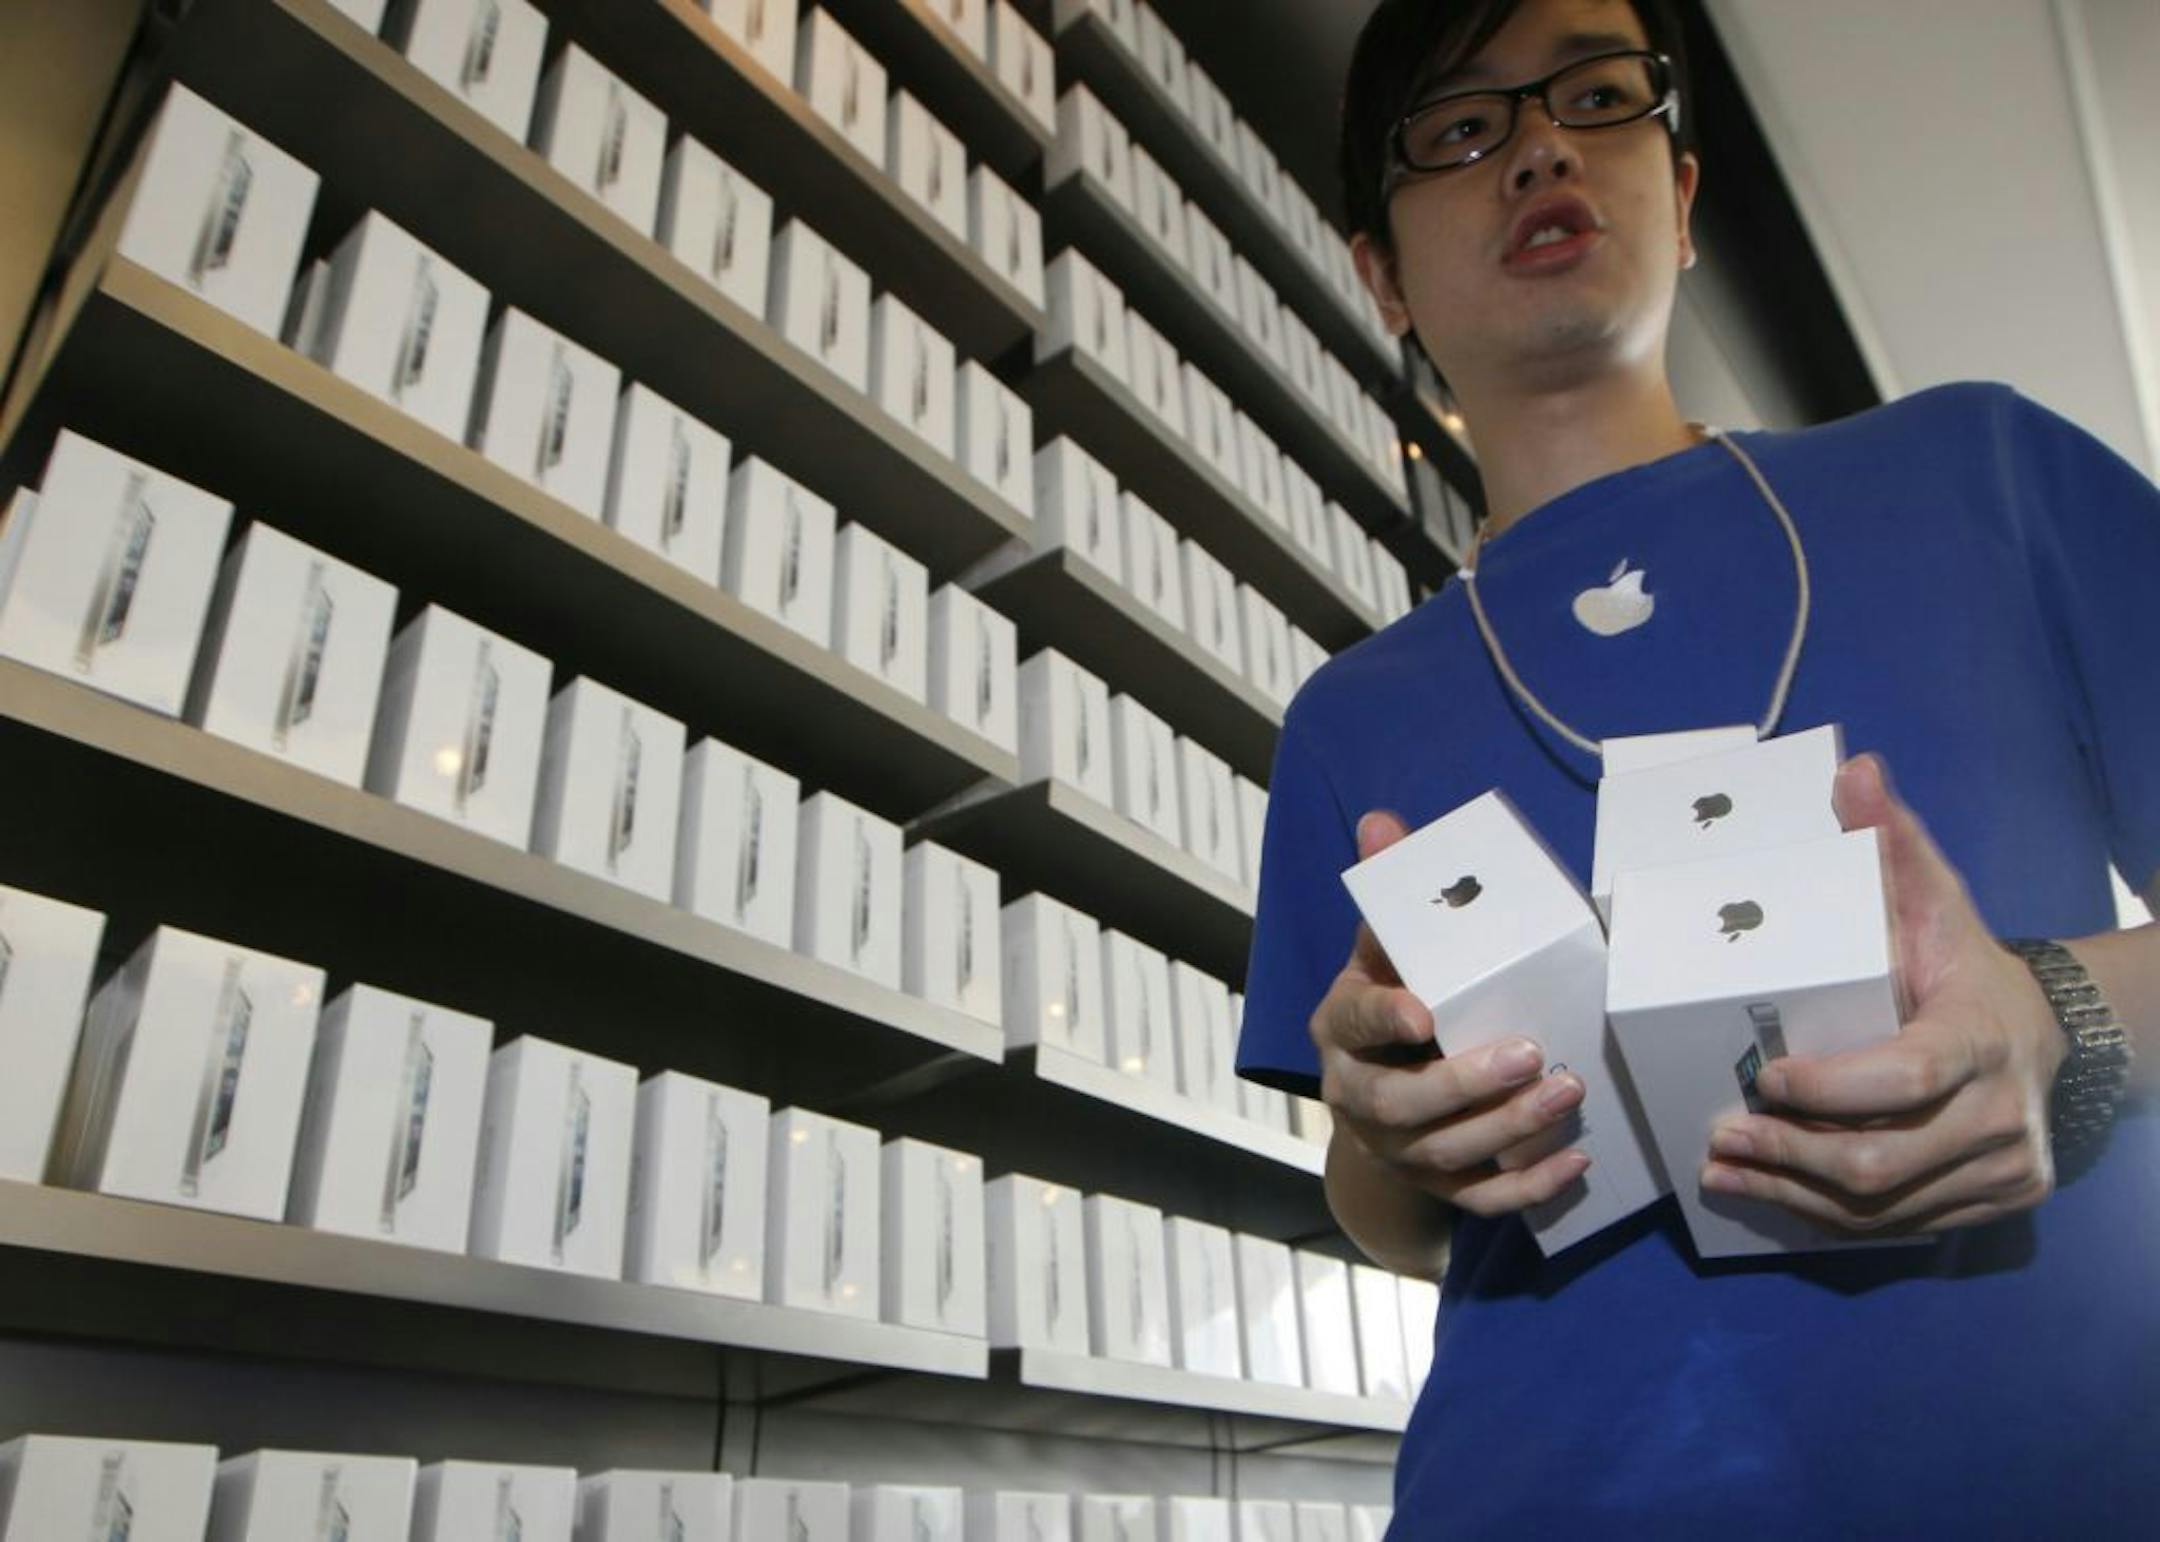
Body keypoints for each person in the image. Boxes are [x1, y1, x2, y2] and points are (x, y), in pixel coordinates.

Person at [1235, 0, 2160, 1532]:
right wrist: (1387, 1123)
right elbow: (1390, 1219)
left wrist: (2062, 1016)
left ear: (1684, 190)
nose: (1539, 146)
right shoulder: (1352, 717)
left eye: (1597, 94)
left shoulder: (1982, 476)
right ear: (1382, 276)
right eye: (1460, 127)